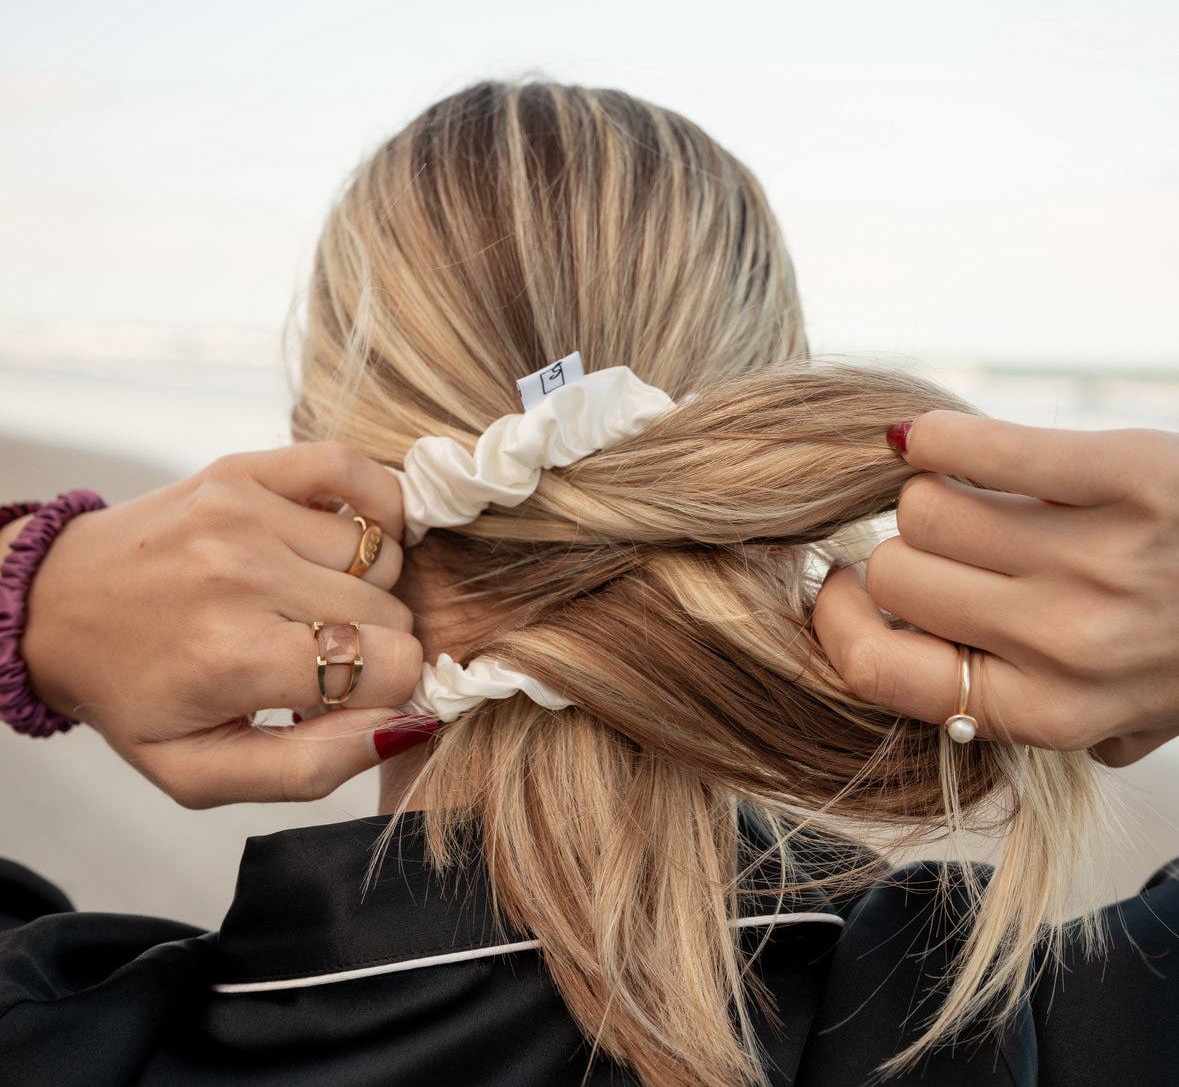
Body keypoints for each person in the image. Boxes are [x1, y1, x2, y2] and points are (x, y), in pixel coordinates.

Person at [2, 81, 1177, 1087]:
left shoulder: (54, 1041)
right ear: (747, 468)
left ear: (314, 457)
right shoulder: (1029, 1032)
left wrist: (31, 593)